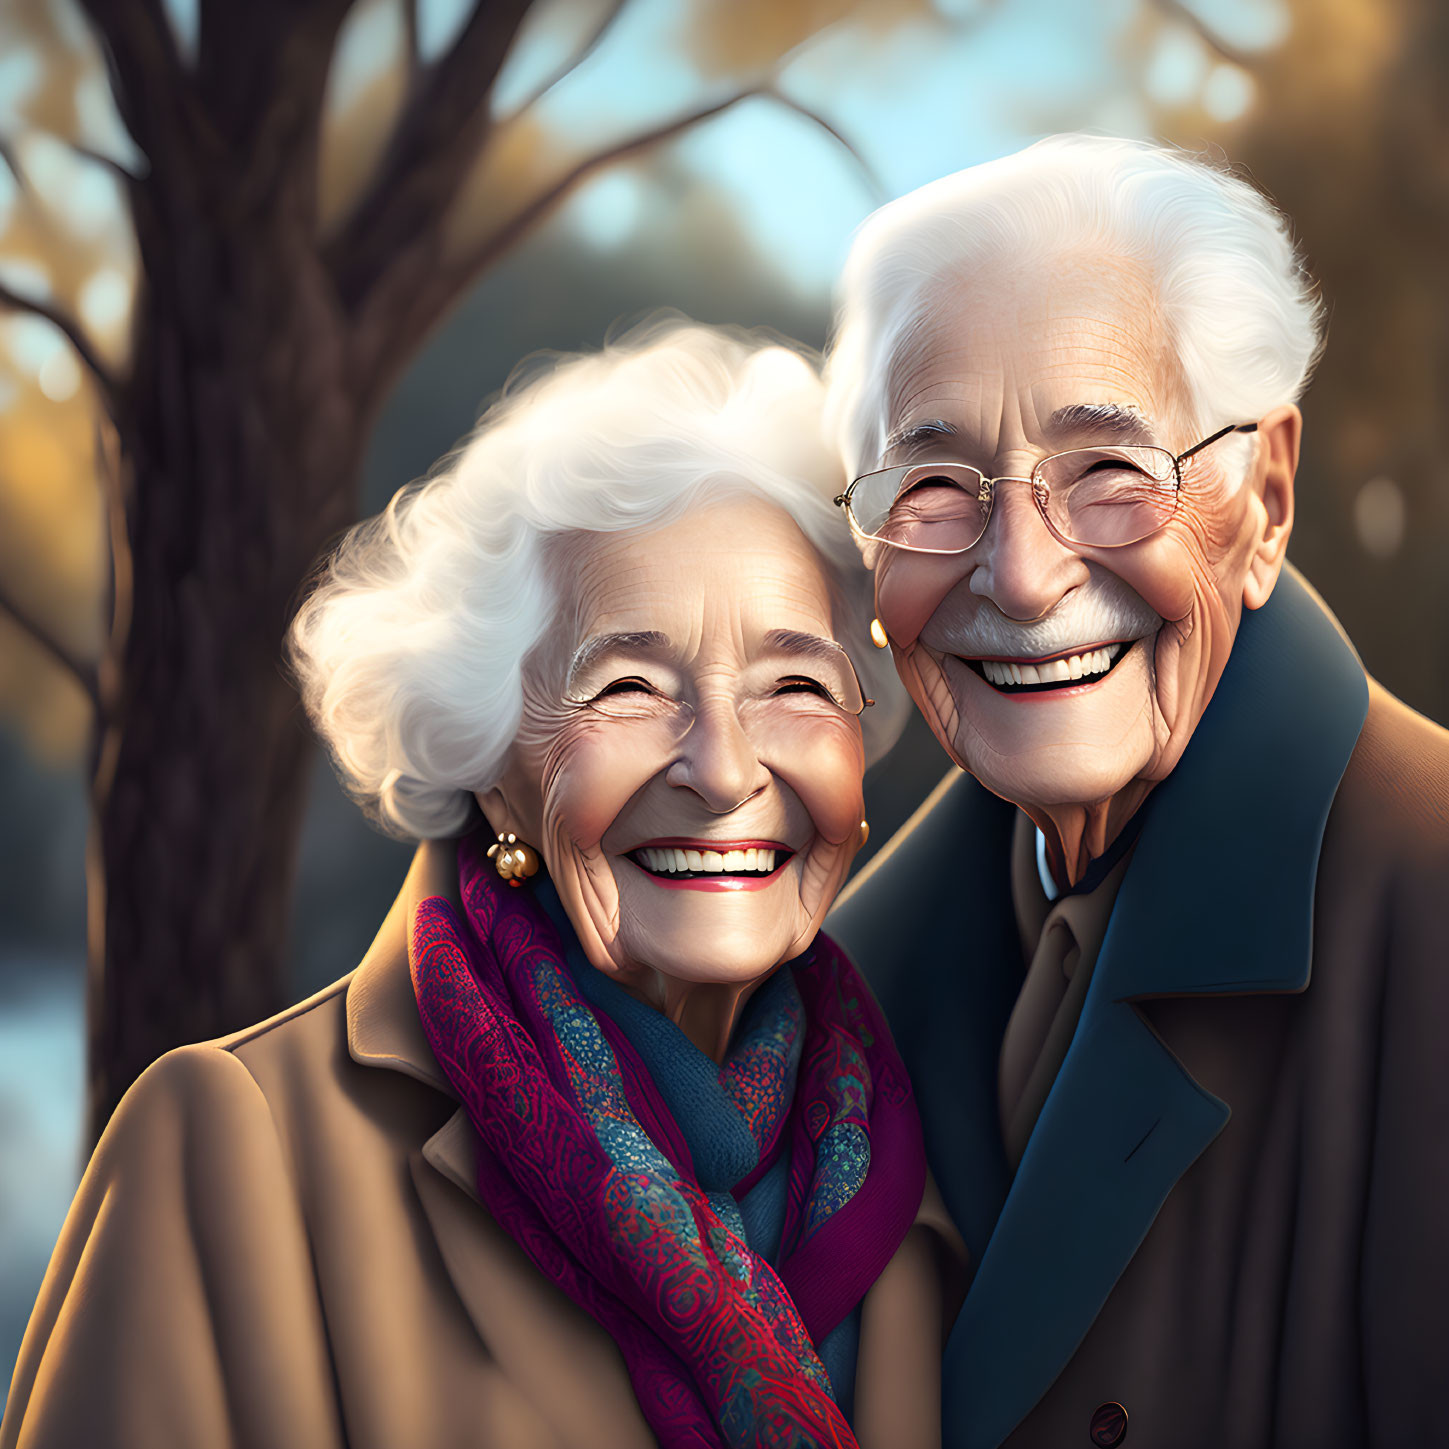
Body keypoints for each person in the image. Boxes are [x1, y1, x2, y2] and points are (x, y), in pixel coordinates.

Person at [1, 321, 962, 1449]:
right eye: (627, 689)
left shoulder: (924, 1137)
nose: (724, 768)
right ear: (492, 769)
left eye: (793, 683)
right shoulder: (232, 1151)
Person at [823, 135, 1449, 1449]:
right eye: (933, 488)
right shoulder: (838, 993)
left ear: (1265, 497)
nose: (1022, 573)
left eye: (1108, 470)